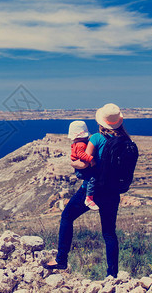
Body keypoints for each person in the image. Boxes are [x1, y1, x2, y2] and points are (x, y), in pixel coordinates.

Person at [46, 103, 130, 278]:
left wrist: (72, 163)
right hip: (112, 192)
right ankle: (112, 275)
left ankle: (61, 259)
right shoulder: (125, 141)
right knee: (109, 233)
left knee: (67, 217)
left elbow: (84, 163)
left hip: (92, 190)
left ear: (102, 123)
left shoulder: (97, 139)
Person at [68, 120, 98, 210]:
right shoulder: (81, 144)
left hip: (78, 169)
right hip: (81, 170)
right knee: (92, 178)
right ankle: (89, 197)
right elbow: (81, 155)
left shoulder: (77, 143)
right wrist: (91, 160)